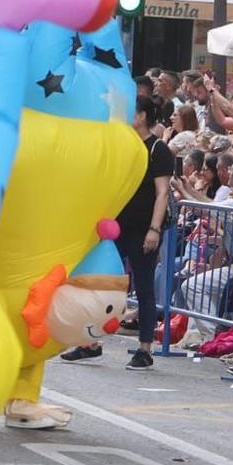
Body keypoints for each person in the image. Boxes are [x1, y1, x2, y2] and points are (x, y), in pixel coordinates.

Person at [62, 94, 171, 373]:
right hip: (116, 227)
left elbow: (162, 193)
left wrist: (154, 229)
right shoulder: (124, 146)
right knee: (101, 283)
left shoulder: (158, 149)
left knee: (144, 287)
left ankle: (145, 348)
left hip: (143, 229)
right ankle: (91, 342)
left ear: (143, 115)